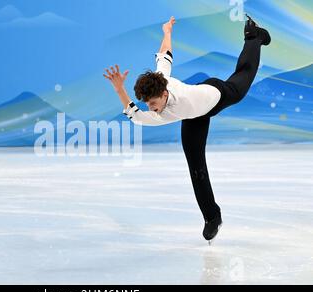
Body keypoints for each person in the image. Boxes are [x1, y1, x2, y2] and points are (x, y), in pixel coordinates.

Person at [103, 15, 271, 243]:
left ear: (163, 94)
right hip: (193, 117)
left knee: (242, 81)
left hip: (215, 95)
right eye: (148, 104)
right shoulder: (160, 85)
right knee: (196, 165)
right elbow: (164, 57)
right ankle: (212, 217)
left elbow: (138, 117)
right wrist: (167, 32)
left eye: (152, 104)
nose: (151, 109)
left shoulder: (169, 107)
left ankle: (253, 35)